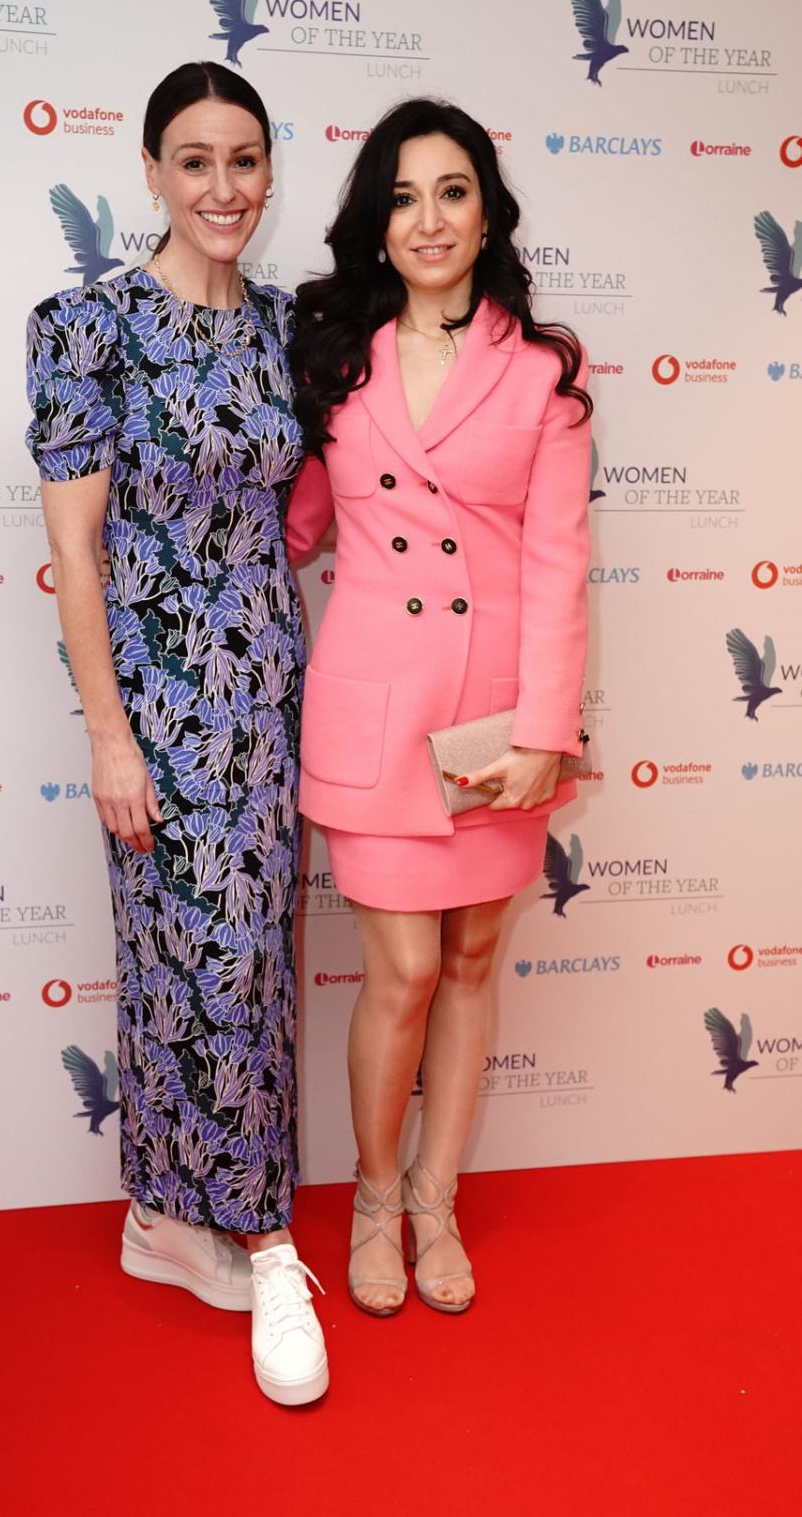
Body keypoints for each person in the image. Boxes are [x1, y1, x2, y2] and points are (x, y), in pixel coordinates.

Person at [25, 61, 327, 1406]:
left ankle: (163, 1220)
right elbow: (76, 553)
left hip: (269, 694)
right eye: (196, 160)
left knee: (249, 967)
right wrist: (108, 731)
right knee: (187, 963)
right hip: (156, 700)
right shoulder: (88, 327)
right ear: (150, 170)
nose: (224, 187)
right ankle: (260, 1242)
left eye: (246, 159)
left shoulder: (281, 326)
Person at [286, 97, 592, 1318]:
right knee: (402, 967)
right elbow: (292, 526)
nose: (429, 217)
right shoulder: (332, 360)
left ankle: (435, 1198)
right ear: (377, 217)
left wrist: (544, 735)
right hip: (372, 714)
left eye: (452, 191)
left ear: (487, 211)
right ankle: (371, 1195)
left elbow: (559, 560)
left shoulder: (543, 372)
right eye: (404, 195)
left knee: (471, 959)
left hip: (496, 724)